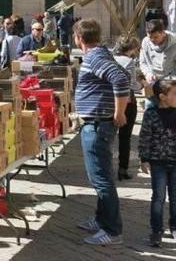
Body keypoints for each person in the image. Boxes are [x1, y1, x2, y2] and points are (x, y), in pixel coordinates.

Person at [72, 19, 130, 245]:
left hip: (98, 125)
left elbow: (120, 78)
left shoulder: (95, 56)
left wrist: (120, 112)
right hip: (95, 123)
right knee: (99, 176)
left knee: (101, 179)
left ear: (79, 37)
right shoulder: (99, 54)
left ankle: (112, 230)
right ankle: (100, 219)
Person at [139, 79, 176, 247]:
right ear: (162, 97)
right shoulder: (151, 113)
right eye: (174, 94)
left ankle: (174, 227)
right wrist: (144, 158)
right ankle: (156, 230)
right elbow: (145, 137)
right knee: (158, 197)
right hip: (158, 163)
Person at [113, 38, 144, 181]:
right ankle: (122, 169)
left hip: (111, 102)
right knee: (125, 137)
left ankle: (106, 169)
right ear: (131, 49)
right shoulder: (129, 62)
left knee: (108, 137)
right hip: (127, 101)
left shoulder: (110, 59)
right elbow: (132, 85)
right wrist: (143, 84)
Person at [140, 19, 176, 93]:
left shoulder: (174, 43)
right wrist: (148, 74)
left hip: (171, 82)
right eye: (150, 37)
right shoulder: (145, 42)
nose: (152, 40)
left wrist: (170, 81)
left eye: (156, 37)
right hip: (152, 81)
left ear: (163, 33)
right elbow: (143, 63)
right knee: (150, 103)